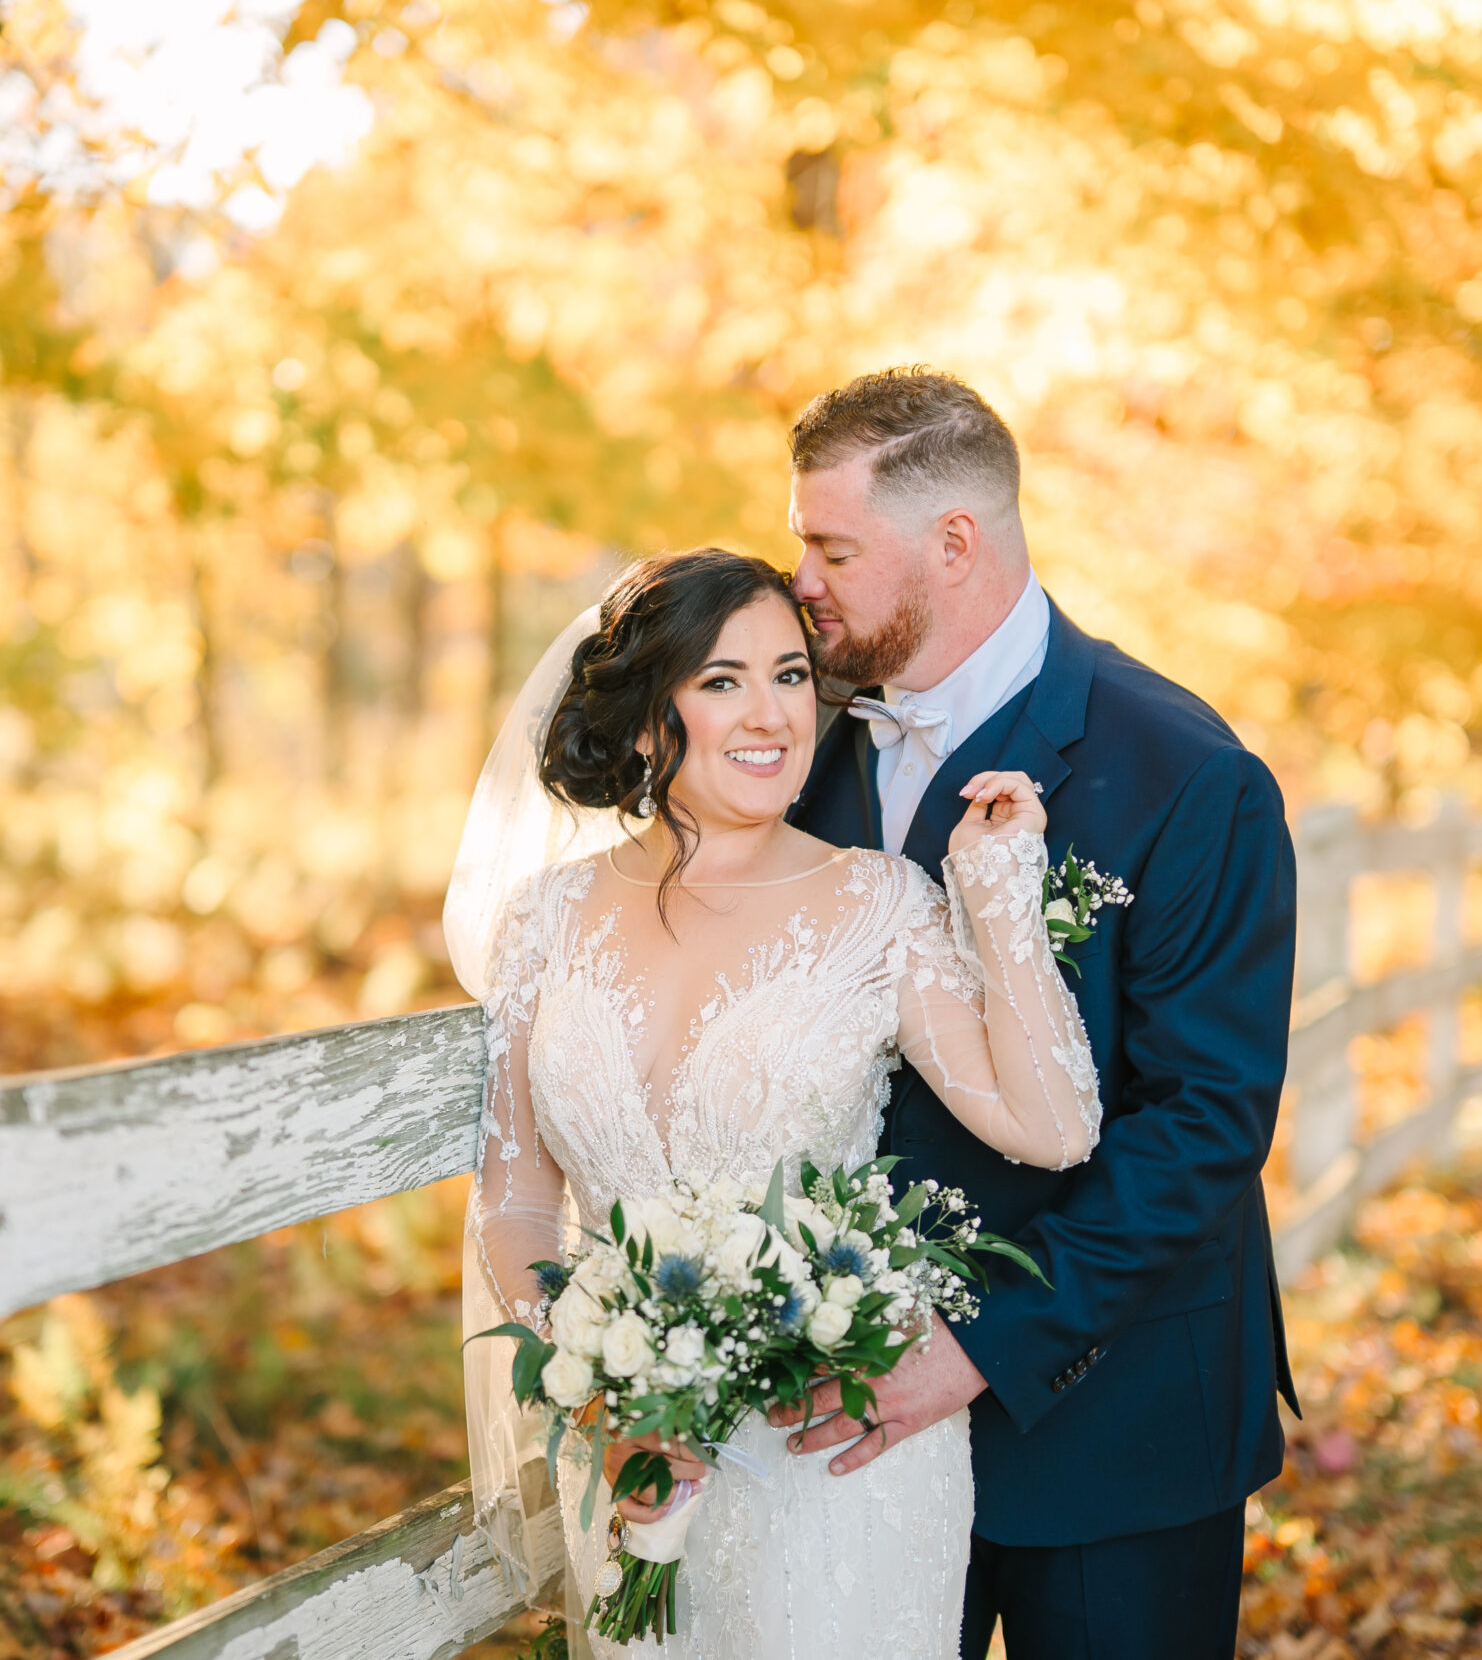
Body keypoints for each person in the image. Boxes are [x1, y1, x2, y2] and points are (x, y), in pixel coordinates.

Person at [446, 544, 1102, 1659]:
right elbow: (514, 1199)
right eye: (722, 680)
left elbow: (1053, 1126)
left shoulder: (876, 905)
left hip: (832, 1458)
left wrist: (1000, 902)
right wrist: (601, 1395)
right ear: (651, 720)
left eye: (791, 675)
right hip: (632, 1462)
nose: (772, 714)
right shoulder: (544, 920)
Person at [775, 367, 1300, 1660]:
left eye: (833, 547)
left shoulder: (1188, 774)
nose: (802, 581)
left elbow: (1204, 1125)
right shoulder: (785, 749)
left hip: (1116, 1426)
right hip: (844, 1424)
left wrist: (983, 1343)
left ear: (955, 541)